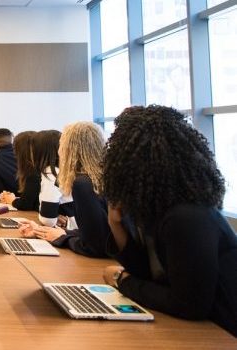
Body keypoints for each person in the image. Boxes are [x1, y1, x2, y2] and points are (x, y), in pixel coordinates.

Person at [101, 105, 237, 337]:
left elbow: (190, 305)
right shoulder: (159, 211)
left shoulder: (187, 217)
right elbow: (149, 275)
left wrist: (122, 281)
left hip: (223, 332)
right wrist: (116, 223)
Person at [18, 122, 110, 258]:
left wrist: (63, 238)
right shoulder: (103, 176)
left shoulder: (83, 183)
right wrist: (49, 231)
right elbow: (101, 233)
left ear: (68, 150)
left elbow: (95, 246)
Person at [0, 131, 39, 211]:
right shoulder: (37, 169)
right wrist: (14, 198)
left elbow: (25, 205)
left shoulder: (33, 173)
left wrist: (12, 200)